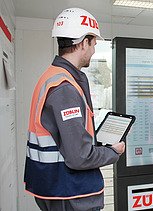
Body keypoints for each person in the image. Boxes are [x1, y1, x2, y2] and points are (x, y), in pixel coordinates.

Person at [23, 8, 125, 211]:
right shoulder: (65, 88)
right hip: (69, 193)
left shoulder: (53, 76)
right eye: (94, 43)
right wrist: (113, 152)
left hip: (55, 186)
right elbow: (80, 156)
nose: (94, 50)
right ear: (83, 42)